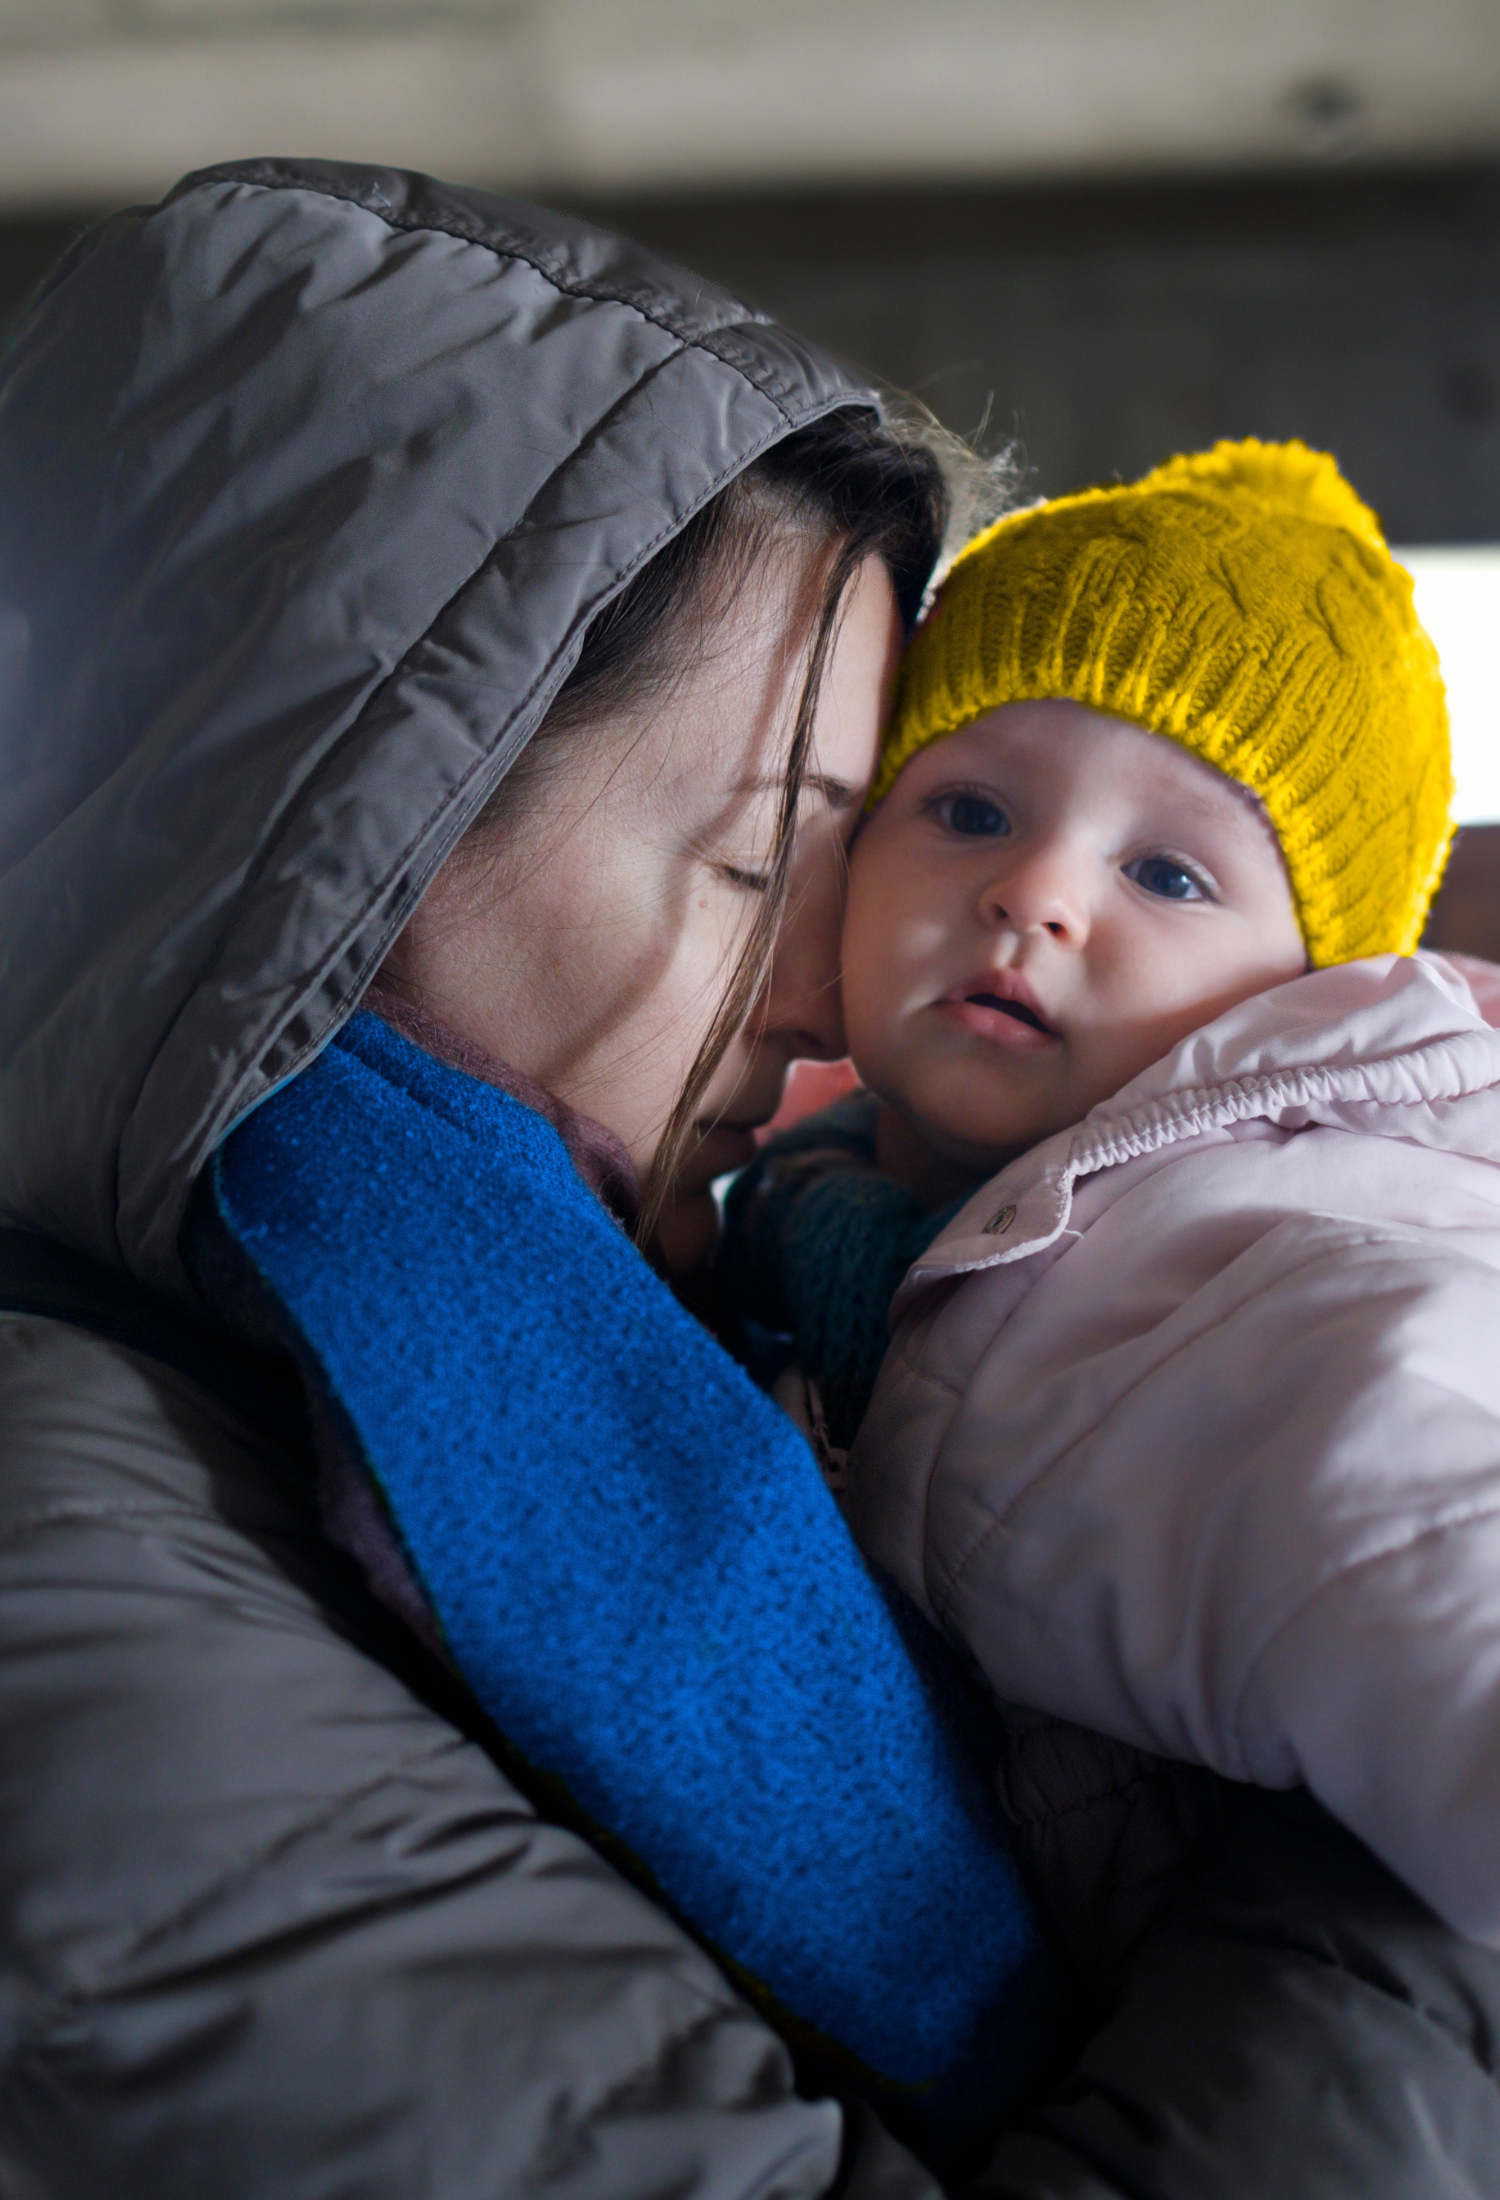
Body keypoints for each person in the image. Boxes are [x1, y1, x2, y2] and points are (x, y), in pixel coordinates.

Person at [3, 162, 1500, 2198]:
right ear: (353, 819)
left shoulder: (660, 1318)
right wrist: (1360, 1846)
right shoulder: (78, 1576)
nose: (826, 990)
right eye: (751, 862)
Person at [724, 437, 1500, 1958]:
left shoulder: (1240, 1264)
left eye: (1171, 875)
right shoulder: (797, 1222)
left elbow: (1413, 1541)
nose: (1041, 893)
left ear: (1304, 992)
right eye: (969, 812)